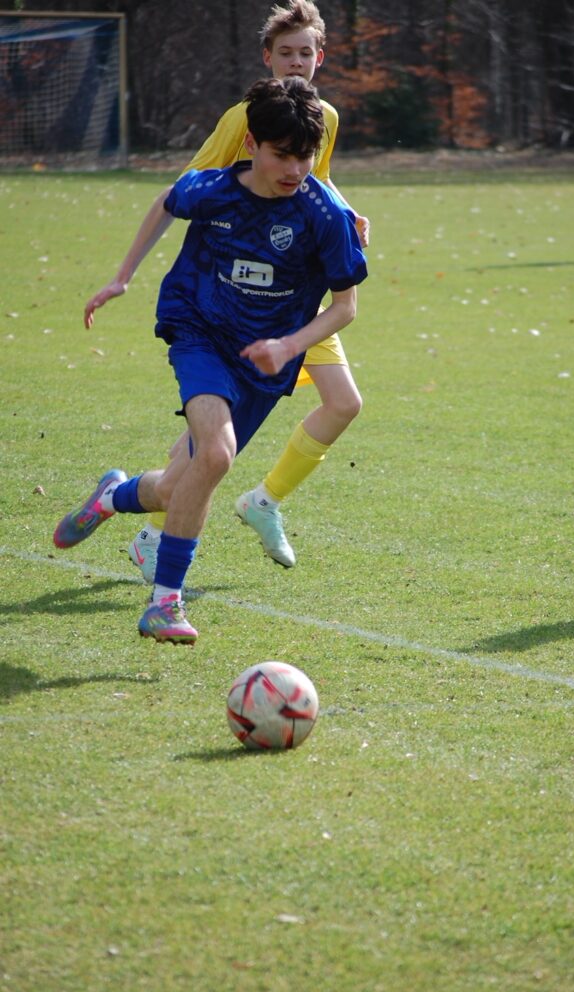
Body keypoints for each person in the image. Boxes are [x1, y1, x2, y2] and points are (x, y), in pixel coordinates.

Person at [54, 76, 368, 645]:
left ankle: (111, 497)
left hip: (265, 362)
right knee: (217, 455)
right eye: (281, 155)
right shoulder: (215, 191)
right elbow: (167, 201)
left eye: (305, 156)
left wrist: (288, 346)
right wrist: (122, 277)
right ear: (251, 144)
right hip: (198, 330)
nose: (295, 169)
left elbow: (345, 307)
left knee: (174, 489)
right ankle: (164, 604)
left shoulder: (325, 216)